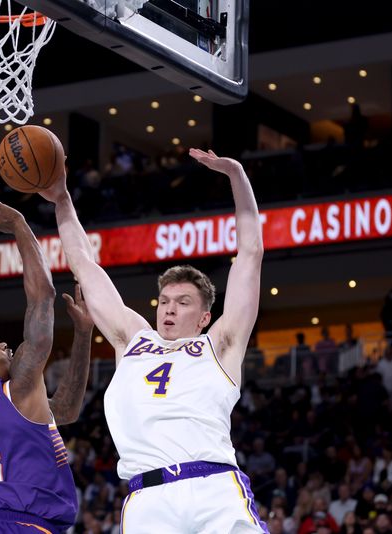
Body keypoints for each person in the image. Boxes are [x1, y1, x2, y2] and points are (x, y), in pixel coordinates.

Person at [41, 148, 268, 532]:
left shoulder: (220, 344)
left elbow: (251, 253)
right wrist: (63, 199)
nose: (169, 309)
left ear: (204, 317)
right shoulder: (132, 339)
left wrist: (237, 174)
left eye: (183, 303)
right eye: (164, 301)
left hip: (213, 487)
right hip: (148, 498)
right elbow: (84, 264)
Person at [0, 194, 94, 533]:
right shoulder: (18, 387)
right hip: (24, 525)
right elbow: (43, 297)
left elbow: (66, 411)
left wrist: (83, 334)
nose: (3, 345)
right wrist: (19, 225)